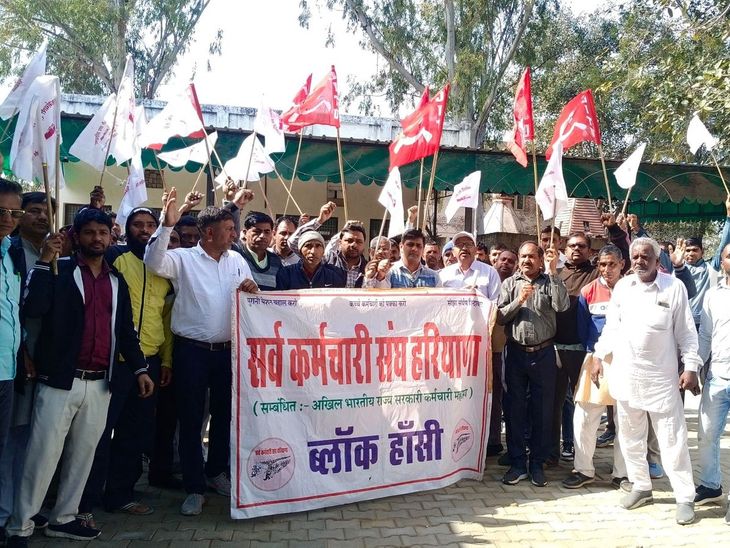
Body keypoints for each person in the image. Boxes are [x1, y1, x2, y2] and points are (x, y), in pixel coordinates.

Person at [6, 208, 154, 544]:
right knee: (42, 457)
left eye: (103, 232)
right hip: (60, 381)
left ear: (111, 236)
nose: (97, 239)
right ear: (76, 236)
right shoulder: (59, 269)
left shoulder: (116, 281)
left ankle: (64, 518)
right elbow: (33, 308)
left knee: (82, 457)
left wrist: (140, 369)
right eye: (89, 232)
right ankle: (20, 525)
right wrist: (45, 261)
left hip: (101, 383)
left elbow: (125, 331)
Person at [143, 187, 258, 517]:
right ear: (209, 233)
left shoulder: (237, 260)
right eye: (229, 229)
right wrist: (167, 224)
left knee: (225, 416)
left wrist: (252, 289)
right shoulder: (183, 259)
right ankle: (194, 487)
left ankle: (216, 473)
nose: (235, 234)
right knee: (191, 419)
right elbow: (153, 262)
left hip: (227, 353)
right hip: (191, 353)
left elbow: (252, 296)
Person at [592, 237, 702, 526]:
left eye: (646, 256)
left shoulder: (673, 287)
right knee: (630, 437)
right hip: (627, 376)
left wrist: (691, 366)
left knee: (672, 440)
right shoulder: (623, 288)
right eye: (636, 256)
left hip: (662, 380)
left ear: (656, 260)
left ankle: (685, 497)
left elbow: (686, 332)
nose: (640, 261)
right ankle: (641, 487)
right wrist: (598, 355)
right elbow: (611, 328)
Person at [78, 207, 174, 523]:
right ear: (126, 229)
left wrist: (166, 360)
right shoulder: (115, 259)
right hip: (114, 361)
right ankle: (85, 500)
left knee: (135, 432)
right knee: (99, 433)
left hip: (150, 361)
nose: (144, 230)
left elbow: (167, 318)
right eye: (137, 225)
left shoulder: (166, 268)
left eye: (150, 225)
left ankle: (120, 495)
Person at [1, 192, 53, 536]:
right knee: (11, 440)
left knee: (30, 438)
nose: (41, 217)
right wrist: (23, 352)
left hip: (36, 361)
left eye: (46, 211)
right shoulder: (16, 251)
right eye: (32, 211)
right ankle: (7, 512)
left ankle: (22, 508)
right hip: (19, 361)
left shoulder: (55, 250)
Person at [497, 242, 569, 487]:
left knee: (542, 410)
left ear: (540, 260)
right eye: (523, 256)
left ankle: (537, 463)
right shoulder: (510, 284)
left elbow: (562, 306)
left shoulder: (550, 281)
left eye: (531, 257)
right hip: (516, 353)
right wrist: (519, 300)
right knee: (515, 409)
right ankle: (518, 463)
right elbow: (500, 317)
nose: (526, 260)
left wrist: (553, 272)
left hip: (544, 353)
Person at [562, 244, 628, 490]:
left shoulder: (633, 289)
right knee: (585, 416)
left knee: (626, 420)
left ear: (622, 264)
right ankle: (583, 470)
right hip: (596, 359)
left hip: (628, 361)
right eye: (602, 264)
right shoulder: (588, 290)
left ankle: (622, 474)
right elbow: (583, 328)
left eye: (612, 264)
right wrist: (594, 355)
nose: (607, 269)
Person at [694, 241, 730, 517]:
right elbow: (705, 336)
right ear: (722, 261)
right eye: (729, 256)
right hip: (717, 375)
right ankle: (710, 485)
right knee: (706, 434)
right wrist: (694, 367)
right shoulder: (713, 296)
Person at [0, 180, 25, 466]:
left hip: (7, 369)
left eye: (15, 213)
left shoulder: (11, 253)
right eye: (1, 211)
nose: (8, 219)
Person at [290, 202, 367, 288]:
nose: (354, 245)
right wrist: (320, 220)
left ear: (364, 244)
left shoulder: (368, 268)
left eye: (359, 242)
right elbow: (293, 242)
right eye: (349, 240)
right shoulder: (327, 260)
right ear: (339, 242)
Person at [487, 248, 517, 456]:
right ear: (495, 261)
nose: (505, 263)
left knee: (505, 395)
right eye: (502, 259)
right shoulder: (486, 279)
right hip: (486, 347)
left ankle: (500, 442)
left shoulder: (517, 284)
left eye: (510, 261)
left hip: (508, 347)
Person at [683, 198, 730, 328]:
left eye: (694, 250)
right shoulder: (678, 269)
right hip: (682, 323)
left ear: (702, 252)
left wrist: (728, 215)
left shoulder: (710, 268)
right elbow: (654, 252)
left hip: (703, 323)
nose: (691, 253)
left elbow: (723, 244)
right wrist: (637, 230)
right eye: (687, 250)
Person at [363, 229, 440, 288]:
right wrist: (380, 277)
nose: (414, 249)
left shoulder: (434, 277)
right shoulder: (389, 272)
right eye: (410, 244)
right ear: (401, 247)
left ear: (423, 249)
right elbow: (382, 298)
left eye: (418, 246)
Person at [439, 232, 501, 301]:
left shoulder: (490, 272)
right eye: (459, 245)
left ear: (475, 250)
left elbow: (495, 302)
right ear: (453, 252)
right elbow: (438, 301)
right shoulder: (444, 274)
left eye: (469, 244)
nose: (464, 248)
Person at [276, 230, 346, 290]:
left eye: (318, 246)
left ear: (323, 251)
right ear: (300, 251)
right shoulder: (286, 274)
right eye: (308, 246)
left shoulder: (333, 276)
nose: (313, 251)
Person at [235, 211, 283, 291]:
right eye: (257, 232)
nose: (262, 236)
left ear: (272, 233)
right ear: (245, 233)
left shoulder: (276, 261)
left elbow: (280, 292)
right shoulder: (236, 255)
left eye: (267, 232)